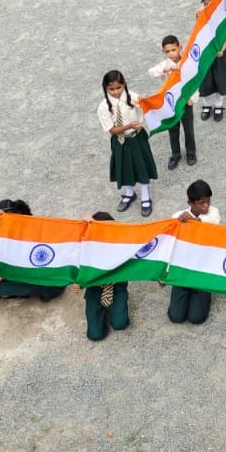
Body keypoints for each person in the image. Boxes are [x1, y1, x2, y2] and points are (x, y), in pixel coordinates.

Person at [99, 70, 156, 216]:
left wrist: (144, 101)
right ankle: (129, 193)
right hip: (120, 140)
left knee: (141, 166)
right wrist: (129, 125)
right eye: (111, 89)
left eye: (119, 87)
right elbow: (112, 130)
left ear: (124, 84)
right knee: (125, 167)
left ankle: (145, 196)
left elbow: (146, 107)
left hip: (137, 137)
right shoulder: (104, 107)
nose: (116, 92)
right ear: (106, 88)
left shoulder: (132, 97)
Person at [168, 180, 221, 325]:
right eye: (201, 203)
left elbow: (210, 222)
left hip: (202, 268)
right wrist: (180, 223)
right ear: (190, 203)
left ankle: (204, 293)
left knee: (197, 318)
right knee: (176, 317)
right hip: (184, 268)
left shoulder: (213, 213)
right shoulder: (178, 216)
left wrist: (192, 222)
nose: (206, 206)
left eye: (208, 201)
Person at [150, 34, 198, 169]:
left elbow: (195, 82)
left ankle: (191, 152)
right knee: (173, 130)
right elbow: (152, 72)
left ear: (180, 47)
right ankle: (175, 154)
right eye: (167, 51)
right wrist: (163, 70)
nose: (171, 54)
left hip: (185, 101)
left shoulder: (188, 63)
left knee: (188, 129)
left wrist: (192, 98)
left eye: (173, 50)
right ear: (163, 52)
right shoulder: (165, 65)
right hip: (170, 103)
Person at [84, 211, 131, 340]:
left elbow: (130, 230)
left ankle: (114, 307)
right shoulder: (88, 246)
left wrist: (109, 225)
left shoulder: (119, 244)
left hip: (116, 287)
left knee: (120, 324)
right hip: (95, 288)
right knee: (95, 335)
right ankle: (101, 311)